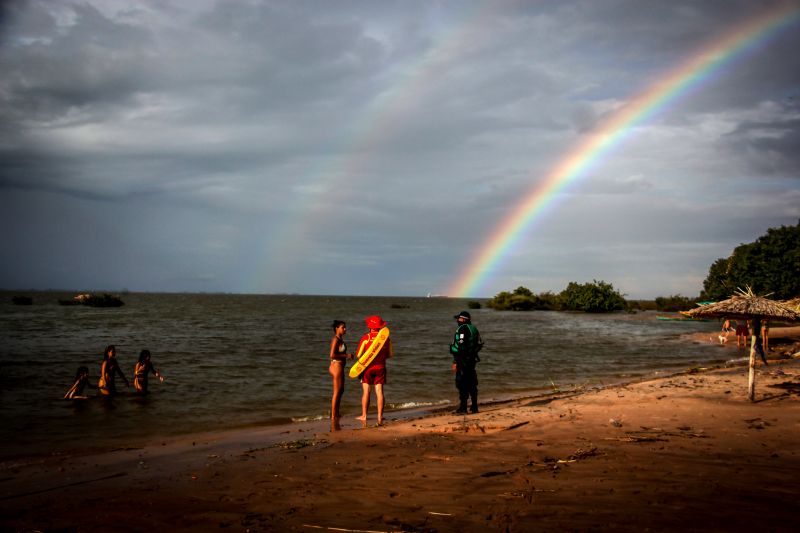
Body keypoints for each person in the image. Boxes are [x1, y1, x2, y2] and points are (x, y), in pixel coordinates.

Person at [355, 315, 393, 427]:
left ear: (369, 326)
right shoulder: (386, 339)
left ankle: (364, 415)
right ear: (380, 326)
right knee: (379, 392)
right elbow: (390, 355)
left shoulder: (366, 338)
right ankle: (380, 416)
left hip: (367, 369)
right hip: (381, 368)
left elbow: (358, 355)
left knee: (366, 391)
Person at [450, 311, 483, 414]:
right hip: (471, 359)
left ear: (463, 319)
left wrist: (456, 361)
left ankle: (463, 408)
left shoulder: (463, 329)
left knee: (461, 383)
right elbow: (478, 343)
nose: (457, 320)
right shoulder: (474, 328)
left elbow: (461, 344)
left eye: (458, 319)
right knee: (472, 382)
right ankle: (474, 407)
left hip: (463, 360)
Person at [328, 320, 354, 431]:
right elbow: (332, 354)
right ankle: (333, 415)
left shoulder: (340, 339)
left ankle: (336, 413)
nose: (345, 329)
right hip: (336, 366)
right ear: (337, 328)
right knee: (337, 391)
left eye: (345, 327)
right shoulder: (335, 339)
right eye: (343, 327)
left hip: (339, 366)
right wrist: (346, 355)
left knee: (341, 390)